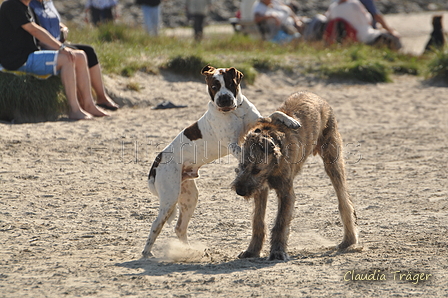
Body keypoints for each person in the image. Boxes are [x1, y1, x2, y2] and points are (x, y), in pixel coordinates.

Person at [0, 0, 109, 120]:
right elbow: (34, 30)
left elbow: (40, 38)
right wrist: (61, 48)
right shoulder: (10, 5)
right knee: (67, 59)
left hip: (32, 54)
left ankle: (89, 105)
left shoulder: (28, 8)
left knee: (80, 56)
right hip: (18, 60)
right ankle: (74, 109)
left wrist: (63, 47)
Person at [29, 0, 119, 111]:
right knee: (76, 54)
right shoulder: (30, 5)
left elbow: (54, 20)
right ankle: (85, 103)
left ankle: (101, 97)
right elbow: (35, 30)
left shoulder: (48, 2)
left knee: (89, 51)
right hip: (45, 45)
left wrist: (63, 28)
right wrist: (59, 47)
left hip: (58, 42)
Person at [325, 0, 401, 50]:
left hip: (347, 38)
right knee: (393, 37)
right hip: (365, 35)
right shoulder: (354, 3)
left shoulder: (332, 7)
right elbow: (368, 19)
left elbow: (328, 20)